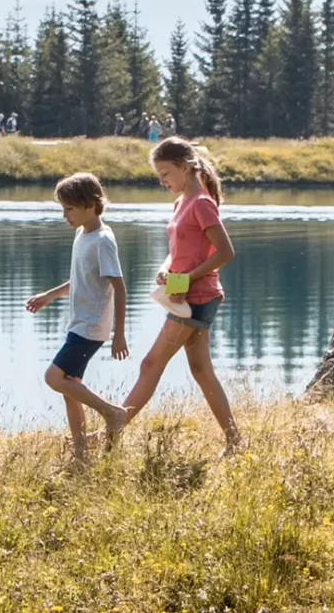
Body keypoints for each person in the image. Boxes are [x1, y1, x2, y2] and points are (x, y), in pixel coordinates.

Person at [121, 137, 240, 451]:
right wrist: (167, 268)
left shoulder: (201, 203)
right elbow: (181, 250)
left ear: (185, 168)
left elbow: (225, 252)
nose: (163, 182)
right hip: (185, 295)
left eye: (165, 174)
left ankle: (112, 430)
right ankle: (235, 441)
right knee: (201, 370)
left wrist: (186, 279)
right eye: (159, 176)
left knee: (150, 364)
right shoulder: (181, 203)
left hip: (197, 298)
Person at [25, 173, 130, 461]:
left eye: (68, 209)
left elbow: (119, 287)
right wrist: (49, 296)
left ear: (89, 204)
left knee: (53, 377)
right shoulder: (82, 234)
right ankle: (81, 452)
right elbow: (80, 279)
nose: (65, 215)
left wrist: (119, 333)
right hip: (79, 323)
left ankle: (112, 413)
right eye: (63, 208)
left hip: (91, 326)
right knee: (70, 388)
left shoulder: (103, 241)